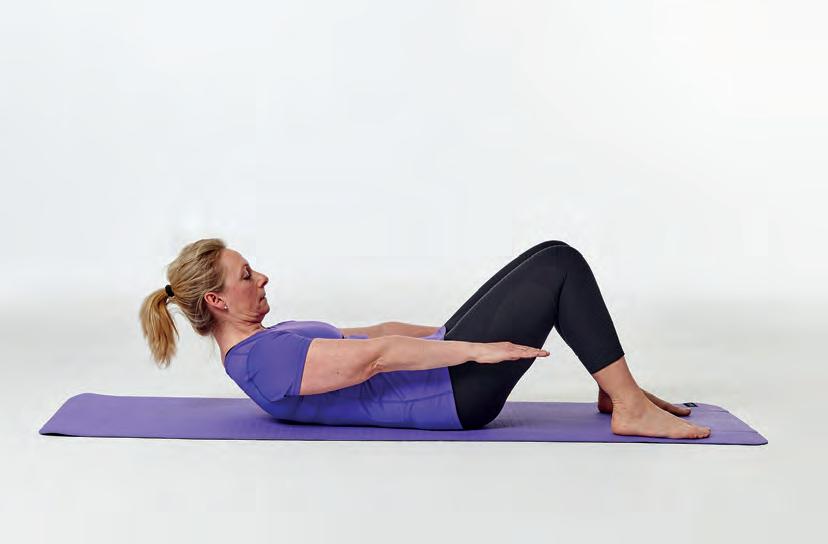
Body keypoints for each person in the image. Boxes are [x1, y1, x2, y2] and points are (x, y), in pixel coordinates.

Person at [140, 238, 711, 439]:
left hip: (441, 373)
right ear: (216, 302)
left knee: (547, 254)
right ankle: (629, 407)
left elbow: (372, 334)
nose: (261, 278)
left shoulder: (266, 340)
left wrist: (449, 331)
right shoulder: (261, 362)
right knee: (559, 267)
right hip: (451, 397)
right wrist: (478, 349)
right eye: (246, 276)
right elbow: (373, 359)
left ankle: (613, 389)